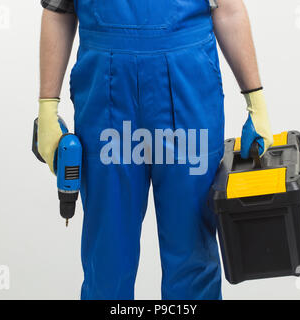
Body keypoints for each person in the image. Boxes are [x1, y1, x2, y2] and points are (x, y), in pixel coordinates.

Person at [37, 0, 274, 300]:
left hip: (188, 95)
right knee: (108, 259)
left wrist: (256, 102)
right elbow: (58, 11)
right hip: (107, 101)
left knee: (192, 257)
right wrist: (47, 106)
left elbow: (228, 9)